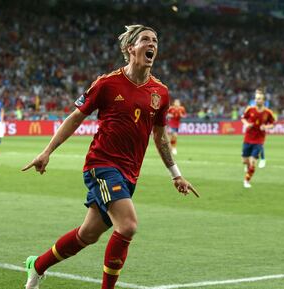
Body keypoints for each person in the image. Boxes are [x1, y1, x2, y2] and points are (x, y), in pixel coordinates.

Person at [21, 24, 199, 289]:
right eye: (146, 40)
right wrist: (47, 151)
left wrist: (176, 174)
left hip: (129, 173)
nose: (152, 44)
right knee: (127, 226)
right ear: (131, 49)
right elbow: (75, 118)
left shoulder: (160, 92)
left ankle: (37, 265)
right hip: (101, 165)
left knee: (87, 235)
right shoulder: (107, 83)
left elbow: (159, 136)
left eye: (155, 40)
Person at [241, 89, 275, 188]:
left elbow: (272, 124)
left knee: (252, 162)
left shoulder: (268, 112)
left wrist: (266, 127)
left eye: (259, 99)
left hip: (259, 140)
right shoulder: (250, 109)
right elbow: (243, 118)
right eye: (256, 98)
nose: (257, 100)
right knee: (244, 161)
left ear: (263, 100)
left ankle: (246, 181)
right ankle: (248, 166)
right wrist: (247, 124)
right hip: (247, 138)